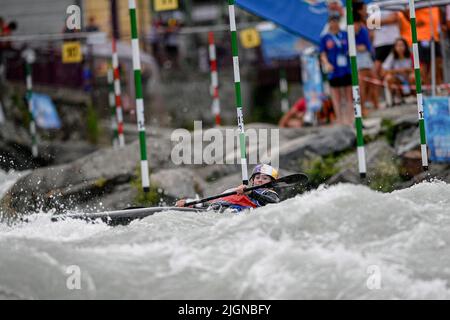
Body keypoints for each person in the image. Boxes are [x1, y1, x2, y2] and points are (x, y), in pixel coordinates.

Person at [175, 164, 280, 212]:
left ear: (272, 182)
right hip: (220, 208)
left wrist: (251, 194)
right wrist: (190, 203)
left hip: (240, 213)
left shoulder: (270, 193)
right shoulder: (241, 190)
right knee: (228, 195)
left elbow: (274, 204)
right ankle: (195, 206)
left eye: (265, 178)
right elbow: (219, 198)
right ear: (252, 180)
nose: (260, 180)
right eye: (257, 177)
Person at [320, 12, 353, 126]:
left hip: (346, 68)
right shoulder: (325, 38)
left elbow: (351, 49)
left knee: (349, 95)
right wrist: (327, 64)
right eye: (332, 21)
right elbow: (323, 53)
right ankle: (339, 119)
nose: (334, 23)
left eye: (336, 20)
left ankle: (350, 118)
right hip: (334, 70)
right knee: (336, 96)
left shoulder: (345, 34)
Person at [382, 37, 414, 103]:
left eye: (402, 45)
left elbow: (417, 69)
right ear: (395, 47)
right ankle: (397, 97)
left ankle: (414, 95)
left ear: (406, 46)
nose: (400, 48)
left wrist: (407, 70)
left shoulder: (410, 55)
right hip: (398, 80)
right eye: (398, 46)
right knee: (389, 78)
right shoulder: (392, 56)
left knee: (413, 77)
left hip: (408, 78)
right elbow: (384, 71)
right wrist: (398, 71)